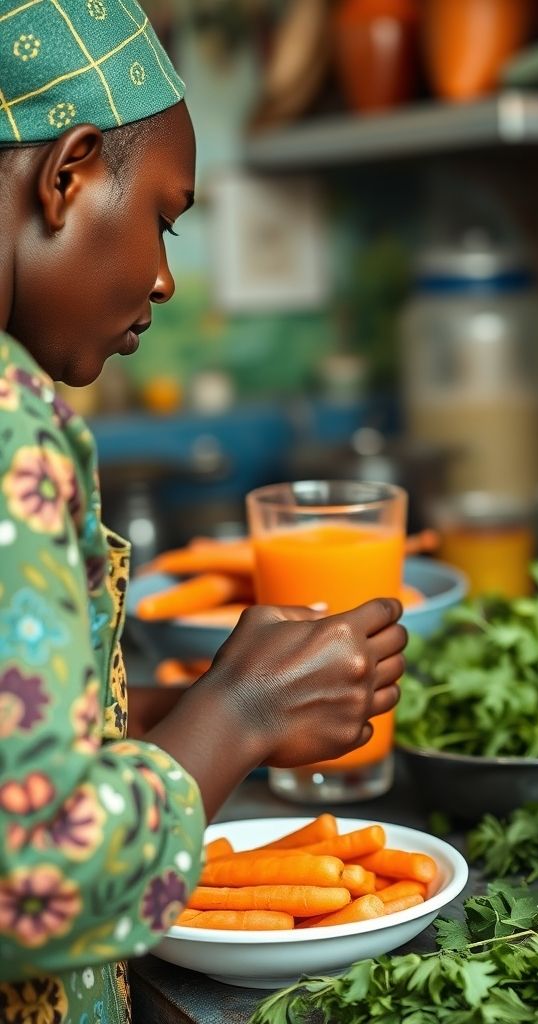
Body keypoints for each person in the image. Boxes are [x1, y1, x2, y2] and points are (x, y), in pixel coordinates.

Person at [0, 5, 406, 1022]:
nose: (165, 279)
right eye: (164, 220)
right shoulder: (11, 418)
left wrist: (171, 703)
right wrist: (241, 716)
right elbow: (29, 876)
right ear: (69, 173)